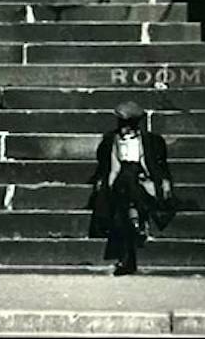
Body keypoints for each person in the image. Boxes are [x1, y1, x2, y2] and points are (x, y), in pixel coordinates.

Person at [88, 100, 176, 276]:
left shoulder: (152, 141)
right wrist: (106, 189)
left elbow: (159, 169)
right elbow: (113, 170)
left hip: (143, 183)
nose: (123, 128)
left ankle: (126, 256)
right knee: (124, 183)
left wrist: (162, 183)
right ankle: (134, 222)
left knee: (128, 182)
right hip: (123, 188)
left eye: (127, 123)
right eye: (121, 123)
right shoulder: (112, 141)